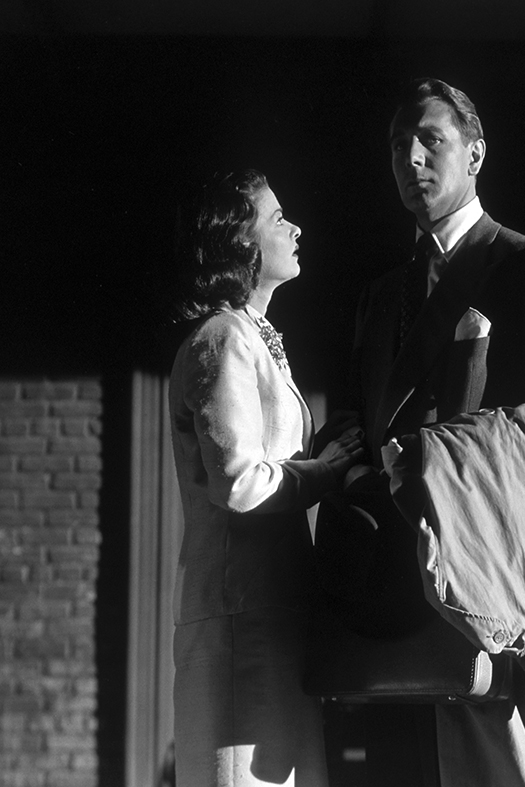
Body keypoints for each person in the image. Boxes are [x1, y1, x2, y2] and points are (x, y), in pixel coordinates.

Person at [346, 78, 525, 786]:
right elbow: (358, 424)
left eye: (430, 140)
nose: (411, 158)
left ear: (475, 155)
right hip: (397, 604)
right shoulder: (381, 297)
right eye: (398, 146)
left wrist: (452, 464)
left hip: (502, 587)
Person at [166, 169, 365, 787]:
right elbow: (239, 483)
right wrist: (327, 473)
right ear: (242, 244)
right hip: (240, 622)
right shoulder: (222, 338)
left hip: (273, 616)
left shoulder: (253, 336)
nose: (296, 228)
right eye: (278, 218)